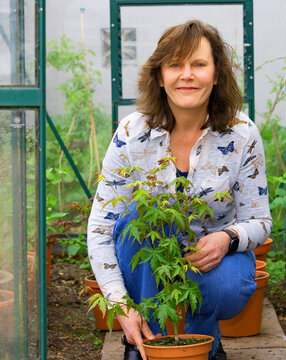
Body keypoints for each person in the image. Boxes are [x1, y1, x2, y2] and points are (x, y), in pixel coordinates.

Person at [87, 20, 272, 360]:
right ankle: (147, 343)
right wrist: (120, 303)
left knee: (230, 287)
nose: (187, 75)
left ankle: (202, 344)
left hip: (212, 263)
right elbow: (101, 228)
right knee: (133, 218)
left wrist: (226, 238)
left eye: (199, 64)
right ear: (159, 76)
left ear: (216, 74)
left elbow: (259, 221)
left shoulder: (242, 134)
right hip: (146, 262)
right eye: (175, 65)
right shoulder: (132, 133)